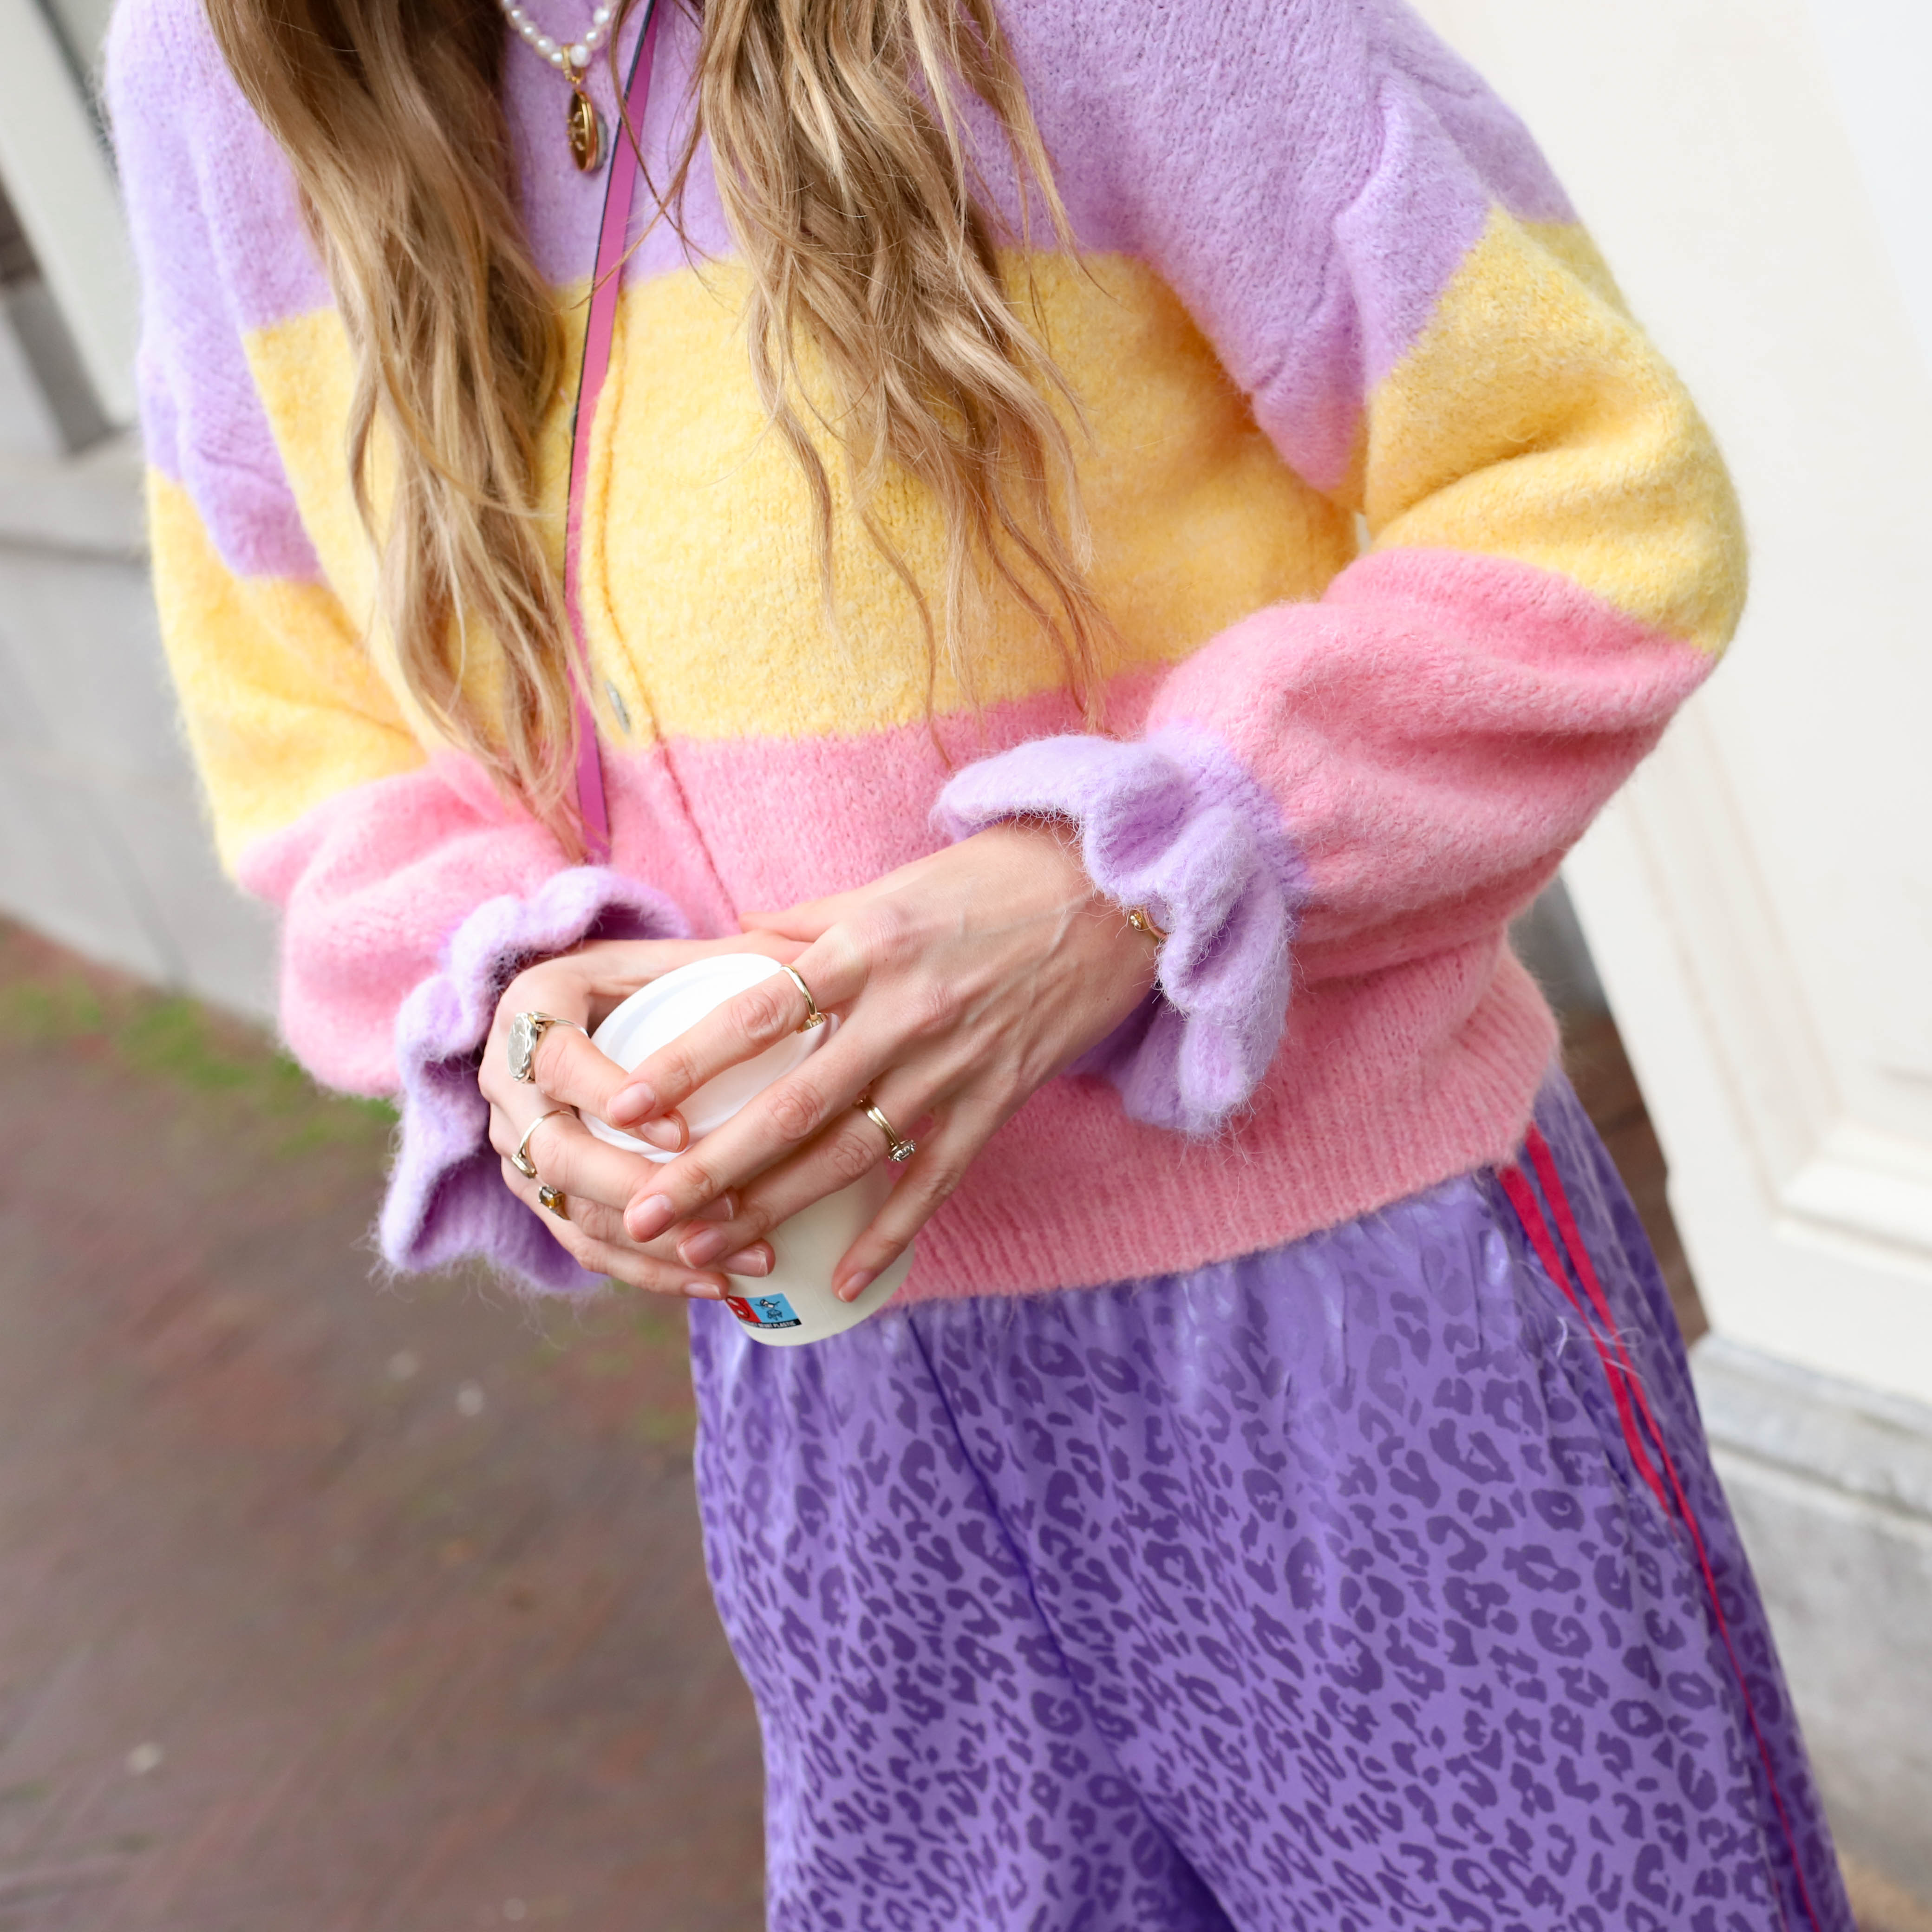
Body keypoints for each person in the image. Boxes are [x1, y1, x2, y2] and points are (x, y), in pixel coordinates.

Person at [107, 0, 1853, 1921]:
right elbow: (304, 714)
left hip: (1344, 1335)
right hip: (830, 1411)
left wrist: (1121, 888)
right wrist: (520, 1007)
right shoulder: (231, 61)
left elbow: (1591, 490)